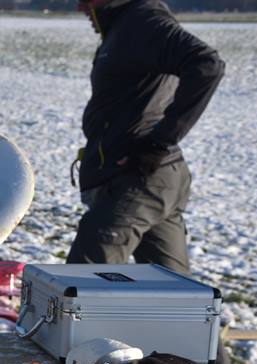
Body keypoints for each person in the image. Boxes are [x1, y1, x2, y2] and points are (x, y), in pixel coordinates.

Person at [67, 0, 224, 275]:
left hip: (139, 180)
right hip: (151, 177)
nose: (80, 8)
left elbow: (207, 64)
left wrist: (160, 142)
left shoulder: (143, 21)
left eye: (84, 0)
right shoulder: (124, 26)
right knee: (173, 294)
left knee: (82, 284)